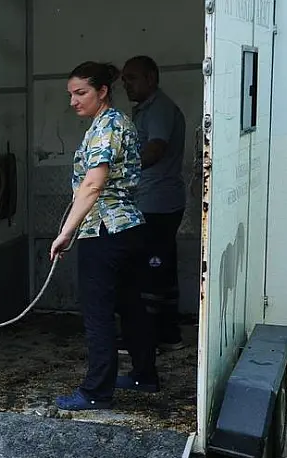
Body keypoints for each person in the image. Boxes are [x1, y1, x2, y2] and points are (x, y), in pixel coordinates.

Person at [49, 61, 159, 411]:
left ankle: (97, 390)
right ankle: (144, 375)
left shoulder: (106, 127)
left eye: (81, 93)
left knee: (98, 313)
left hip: (105, 231)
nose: (74, 101)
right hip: (127, 229)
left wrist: (66, 233)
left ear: (102, 91)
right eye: (70, 94)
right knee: (130, 306)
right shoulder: (112, 123)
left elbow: (93, 184)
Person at [121, 55, 187, 352]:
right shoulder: (146, 109)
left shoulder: (159, 108)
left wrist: (122, 169)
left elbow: (156, 148)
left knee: (148, 270)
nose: (126, 85)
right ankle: (168, 334)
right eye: (123, 79)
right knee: (161, 268)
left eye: (132, 78)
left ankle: (146, 339)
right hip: (159, 201)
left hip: (155, 203)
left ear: (151, 78)